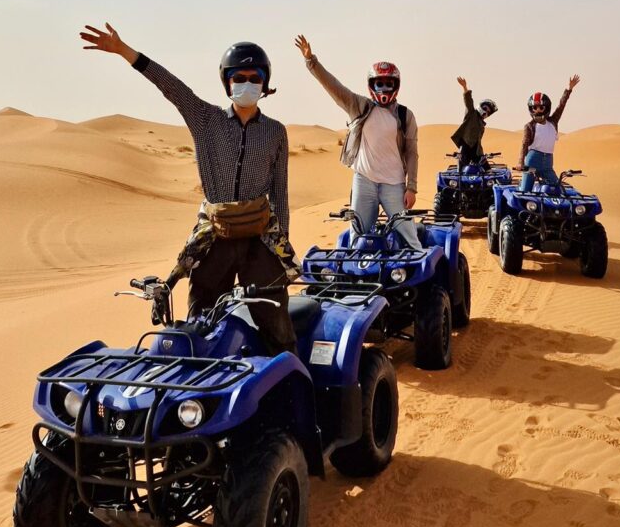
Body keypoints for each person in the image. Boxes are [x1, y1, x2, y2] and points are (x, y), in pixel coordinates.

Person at [80, 22, 297, 355]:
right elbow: (172, 87)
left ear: (265, 83)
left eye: (255, 78)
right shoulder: (205, 119)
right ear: (227, 82)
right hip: (215, 239)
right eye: (239, 78)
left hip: (259, 240)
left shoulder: (275, 132)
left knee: (277, 327)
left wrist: (281, 249)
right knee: (199, 327)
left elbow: (280, 194)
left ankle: (291, 394)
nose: (247, 84)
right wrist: (126, 52)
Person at [294, 34, 422, 250]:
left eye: (388, 83)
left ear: (396, 85)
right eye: (379, 83)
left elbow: (412, 152)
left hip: (394, 183)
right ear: (371, 84)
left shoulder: (404, 115)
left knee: (407, 234)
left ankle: (422, 277)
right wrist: (311, 61)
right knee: (357, 236)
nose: (384, 88)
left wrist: (412, 188)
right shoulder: (359, 106)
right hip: (365, 180)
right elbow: (334, 87)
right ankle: (356, 280)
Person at [516, 75, 581, 185]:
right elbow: (524, 144)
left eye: (541, 107)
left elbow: (561, 106)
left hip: (548, 162)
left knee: (555, 187)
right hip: (533, 160)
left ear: (546, 107)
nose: (538, 110)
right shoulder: (529, 126)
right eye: (535, 108)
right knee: (525, 191)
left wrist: (569, 90)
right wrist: (520, 162)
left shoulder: (553, 121)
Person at [452, 76, 497, 168]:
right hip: (465, 149)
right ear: (481, 106)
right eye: (485, 108)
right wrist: (465, 87)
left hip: (477, 151)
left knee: (487, 170)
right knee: (462, 173)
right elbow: (468, 101)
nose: (486, 112)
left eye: (489, 111)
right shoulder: (471, 114)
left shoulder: (482, 123)